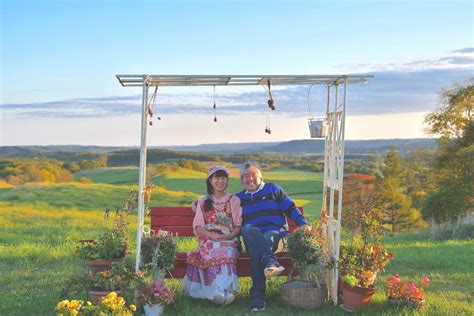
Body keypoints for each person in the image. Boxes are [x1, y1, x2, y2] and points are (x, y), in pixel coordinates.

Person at [236, 162, 308, 312]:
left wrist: (302, 223)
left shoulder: (272, 189)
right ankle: (270, 261)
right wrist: (199, 203)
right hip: (252, 236)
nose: (250, 179)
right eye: (246, 176)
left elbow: (290, 207)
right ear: (241, 181)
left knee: (261, 246)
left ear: (261, 176)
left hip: (276, 236)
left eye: (253, 175)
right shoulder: (238, 198)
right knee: (248, 228)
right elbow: (219, 205)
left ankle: (257, 296)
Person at [182, 166, 242, 306]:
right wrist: (211, 236)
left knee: (227, 249)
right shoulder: (203, 201)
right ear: (210, 180)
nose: (220, 181)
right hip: (209, 238)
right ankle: (217, 291)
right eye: (216, 178)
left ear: (227, 180)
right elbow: (198, 226)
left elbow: (238, 225)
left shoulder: (233, 200)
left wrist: (229, 237)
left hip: (229, 238)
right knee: (212, 249)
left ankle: (227, 290)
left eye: (223, 178)